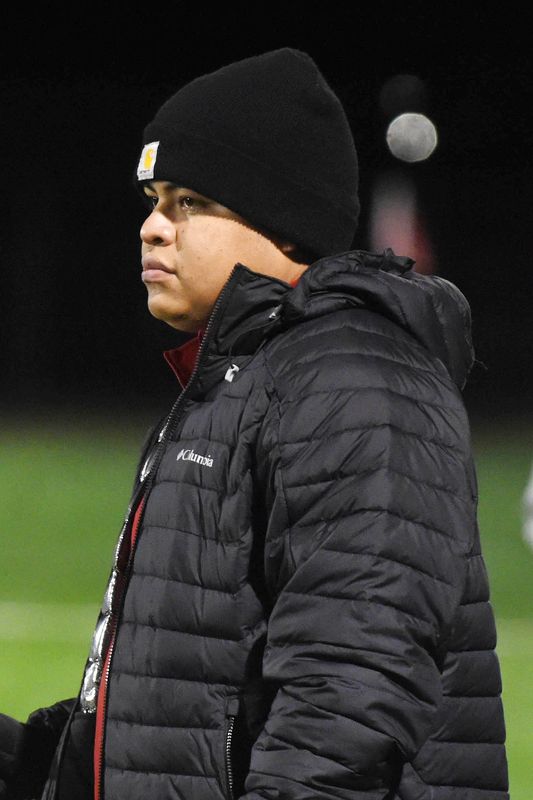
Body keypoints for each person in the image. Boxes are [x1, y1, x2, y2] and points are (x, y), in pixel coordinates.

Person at [0, 47, 509, 800]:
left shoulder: (352, 384)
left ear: (283, 217)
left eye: (188, 203)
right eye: (151, 199)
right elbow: (171, 717)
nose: (152, 228)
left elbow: (348, 701)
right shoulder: (240, 382)